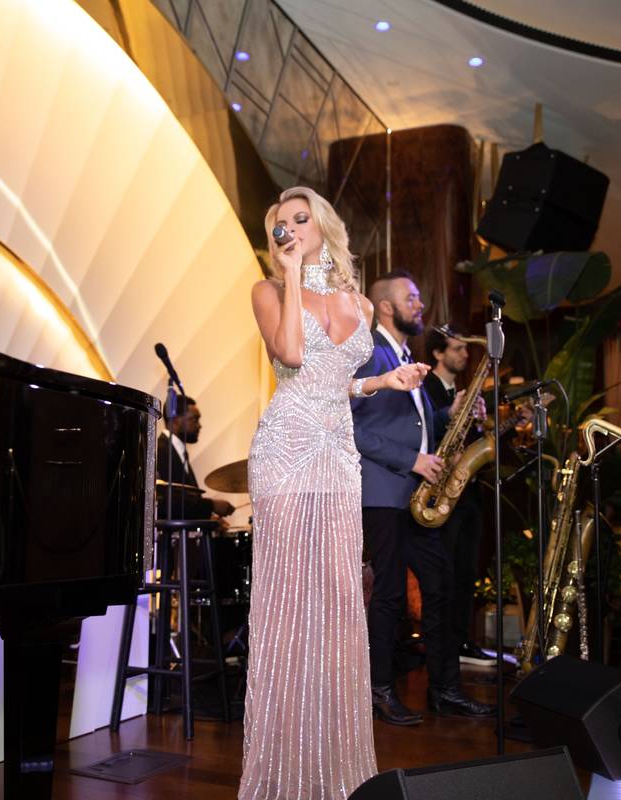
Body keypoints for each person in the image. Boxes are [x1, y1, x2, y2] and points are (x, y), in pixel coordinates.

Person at [240, 187, 428, 800]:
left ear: (322, 223)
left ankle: (331, 759)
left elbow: (336, 382)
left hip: (340, 455)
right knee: (289, 601)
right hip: (287, 451)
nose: (291, 229)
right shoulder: (268, 291)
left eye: (300, 219)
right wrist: (292, 275)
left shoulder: (361, 305)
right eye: (281, 225)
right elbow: (292, 355)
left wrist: (383, 381)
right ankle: (282, 765)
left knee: (340, 599)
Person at [353, 271, 494, 725]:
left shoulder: (404, 355)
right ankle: (379, 691)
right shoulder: (368, 353)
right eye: (411, 298)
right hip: (383, 493)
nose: (420, 305)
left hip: (414, 496)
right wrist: (412, 461)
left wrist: (448, 414)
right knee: (390, 594)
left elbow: (410, 424)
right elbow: (351, 429)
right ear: (386, 307)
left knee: (440, 587)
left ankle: (444, 690)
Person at [421, 326, 490, 663]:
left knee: (466, 572)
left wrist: (480, 421)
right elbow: (425, 432)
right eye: (457, 349)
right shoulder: (426, 389)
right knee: (444, 575)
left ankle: (461, 641)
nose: (464, 354)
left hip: (467, 494)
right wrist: (452, 414)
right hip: (439, 492)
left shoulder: (460, 391)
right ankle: (443, 647)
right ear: (438, 353)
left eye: (466, 349)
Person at [156, 394, 234, 521]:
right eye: (195, 419)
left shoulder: (175, 450)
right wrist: (211, 505)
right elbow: (166, 502)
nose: (199, 425)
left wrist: (209, 518)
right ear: (175, 420)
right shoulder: (160, 450)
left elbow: (185, 499)